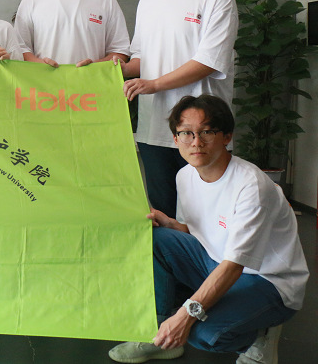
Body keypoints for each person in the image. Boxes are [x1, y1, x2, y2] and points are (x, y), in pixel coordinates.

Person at [108, 94, 308, 364]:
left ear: (227, 137)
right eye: (186, 133)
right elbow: (198, 232)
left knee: (201, 333)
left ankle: (260, 335)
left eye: (207, 132)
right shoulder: (185, 175)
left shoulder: (251, 186)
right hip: (215, 261)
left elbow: (235, 265)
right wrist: (171, 225)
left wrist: (185, 315)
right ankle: (160, 336)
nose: (196, 142)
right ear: (175, 139)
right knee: (154, 238)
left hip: (267, 281)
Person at [116, 0, 238, 218]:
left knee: (210, 218)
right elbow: (140, 60)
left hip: (202, 130)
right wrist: (107, 69)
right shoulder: (148, 2)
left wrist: (154, 84)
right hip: (155, 128)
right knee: (164, 216)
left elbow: (209, 60)